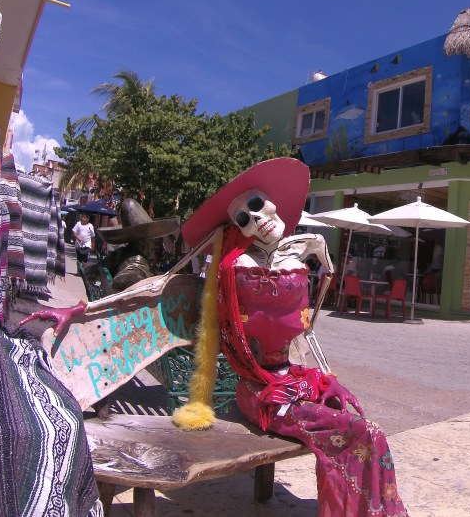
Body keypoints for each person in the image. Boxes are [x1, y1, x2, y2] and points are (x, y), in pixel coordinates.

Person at [173, 158, 409, 517]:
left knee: (354, 417)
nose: (257, 219)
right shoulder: (238, 268)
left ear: (272, 203)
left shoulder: (300, 250)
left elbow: (317, 298)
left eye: (258, 206)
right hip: (262, 393)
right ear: (239, 230)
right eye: (244, 219)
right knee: (363, 432)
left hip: (292, 378)